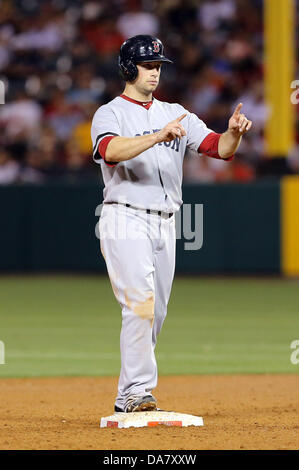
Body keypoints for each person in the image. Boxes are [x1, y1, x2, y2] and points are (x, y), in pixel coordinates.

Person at [91, 35, 252, 413]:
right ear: (129, 68)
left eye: (159, 66)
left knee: (155, 313)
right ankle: (135, 392)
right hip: (124, 216)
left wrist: (234, 133)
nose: (155, 72)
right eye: (148, 65)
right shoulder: (110, 112)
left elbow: (219, 149)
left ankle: (129, 394)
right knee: (140, 307)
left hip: (166, 222)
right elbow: (109, 150)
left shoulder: (175, 112)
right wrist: (157, 136)